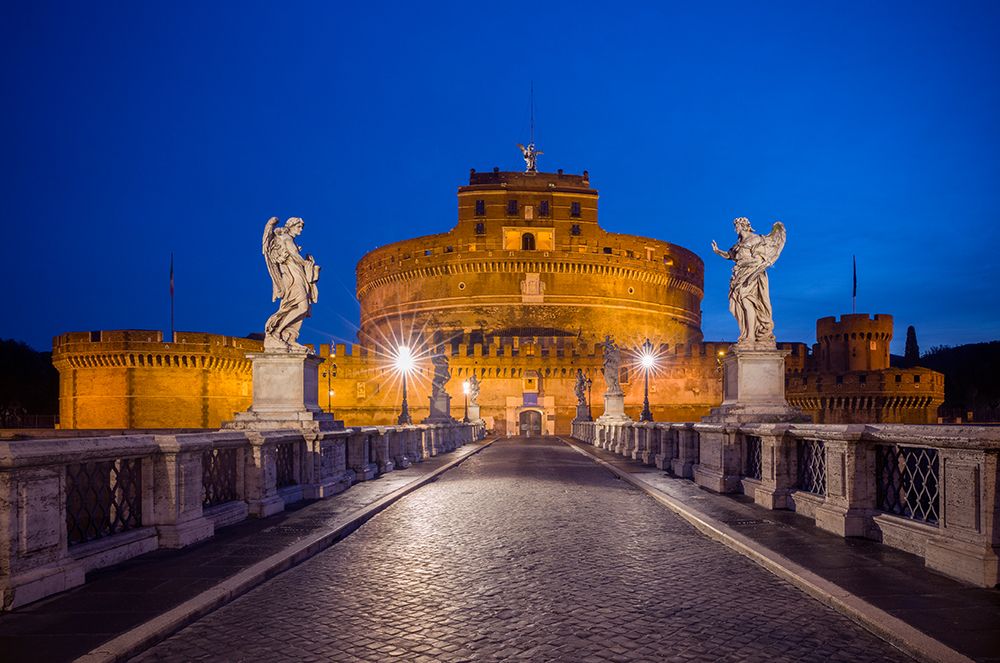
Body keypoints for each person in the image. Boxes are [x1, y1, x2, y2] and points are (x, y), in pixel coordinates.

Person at [711, 217, 786, 348]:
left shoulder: (756, 239)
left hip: (752, 274)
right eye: (735, 226)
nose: (736, 228)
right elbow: (731, 255)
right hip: (739, 275)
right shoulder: (739, 243)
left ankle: (751, 336)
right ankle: (746, 334)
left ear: (744, 225)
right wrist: (718, 251)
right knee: (737, 305)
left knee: (747, 301)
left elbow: (759, 260)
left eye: (737, 225)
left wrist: (745, 263)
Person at [262, 217, 319, 351]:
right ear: (291, 226)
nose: (300, 230)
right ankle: (277, 333)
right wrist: (307, 263)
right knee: (302, 306)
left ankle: (290, 337)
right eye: (298, 227)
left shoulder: (289, 240)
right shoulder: (286, 238)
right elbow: (294, 255)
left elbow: (294, 255)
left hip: (298, 274)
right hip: (292, 277)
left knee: (301, 308)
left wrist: (305, 262)